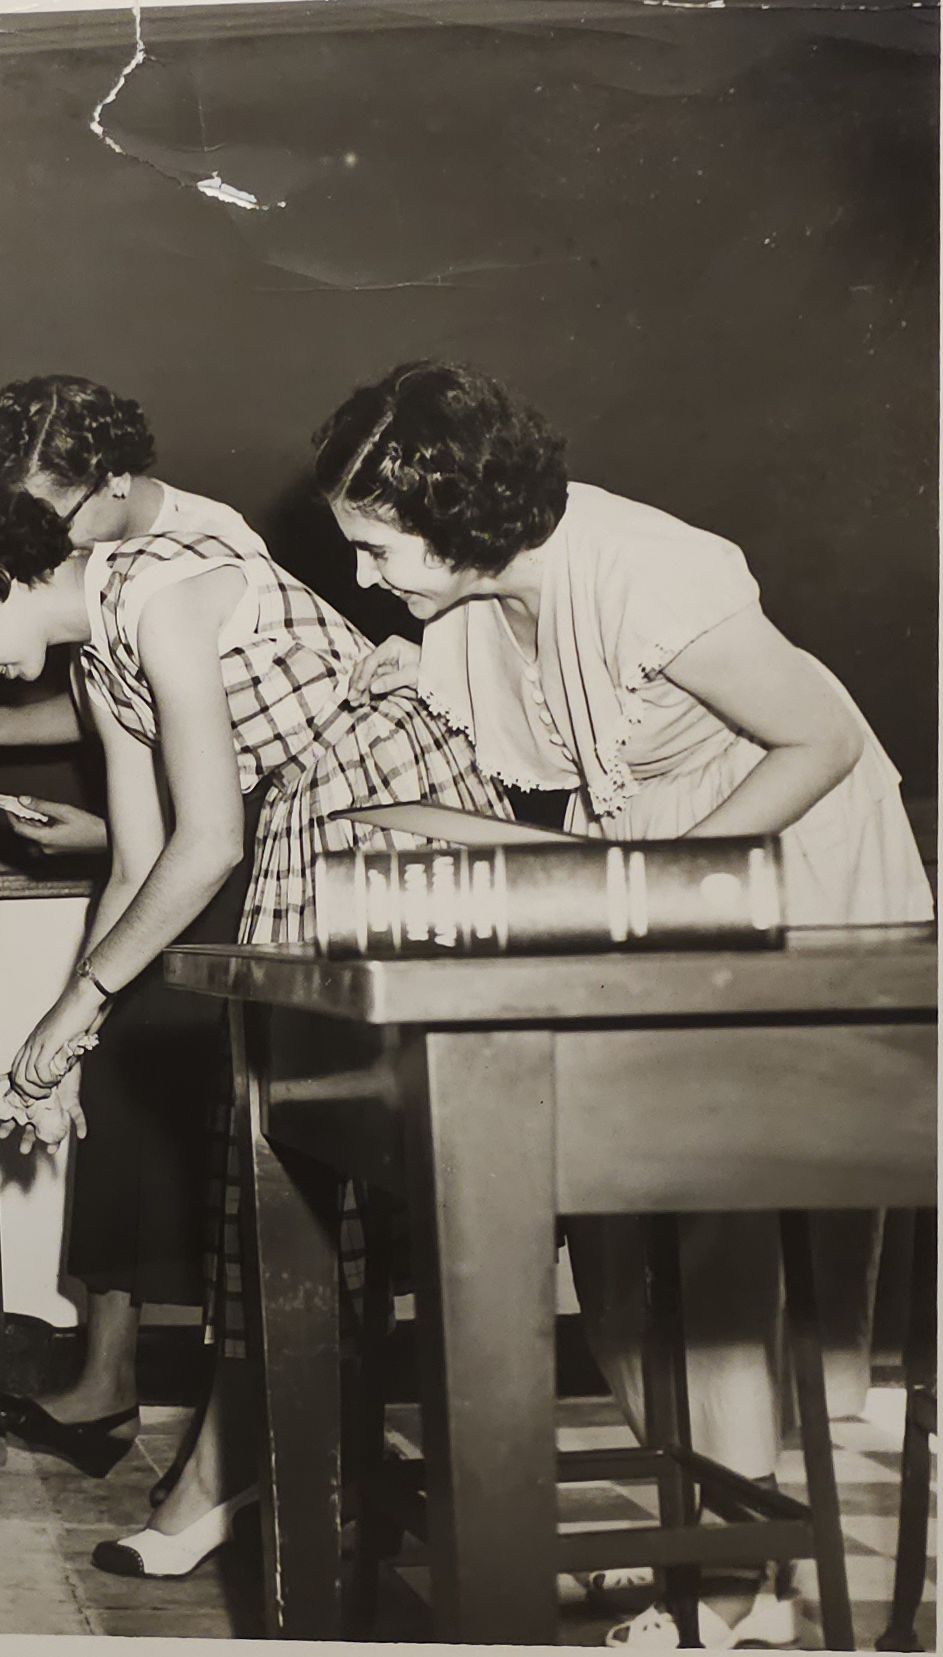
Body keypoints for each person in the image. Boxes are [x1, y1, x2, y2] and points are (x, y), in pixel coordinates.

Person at [322, 359, 933, 1646]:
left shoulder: (648, 567)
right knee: (599, 1214)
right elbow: (590, 799)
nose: (363, 575)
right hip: (672, 877)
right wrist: (437, 791)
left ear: (457, 510)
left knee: (703, 1222)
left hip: (794, 866)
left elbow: (819, 741)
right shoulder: (477, 611)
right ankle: (701, 1532)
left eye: (376, 546)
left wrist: (661, 886)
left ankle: (741, 1577)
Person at [0, 463, 502, 1579]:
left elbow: (208, 842)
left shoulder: (164, 591)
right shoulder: (104, 652)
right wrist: (67, 1038)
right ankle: (265, 1460)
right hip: (312, 827)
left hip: (392, 820)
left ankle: (364, 1475)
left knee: (367, 1172)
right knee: (279, 1174)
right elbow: (138, 861)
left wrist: (81, 999)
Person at [0, 377, 278, 1496]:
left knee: (238, 1136)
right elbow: (105, 706)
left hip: (251, 857)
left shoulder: (194, 559)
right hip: (179, 846)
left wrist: (88, 978)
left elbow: (211, 793)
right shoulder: (93, 576)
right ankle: (108, 1378)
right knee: (119, 1079)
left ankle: (244, 1432)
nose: (31, 545)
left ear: (115, 483)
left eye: (49, 516)